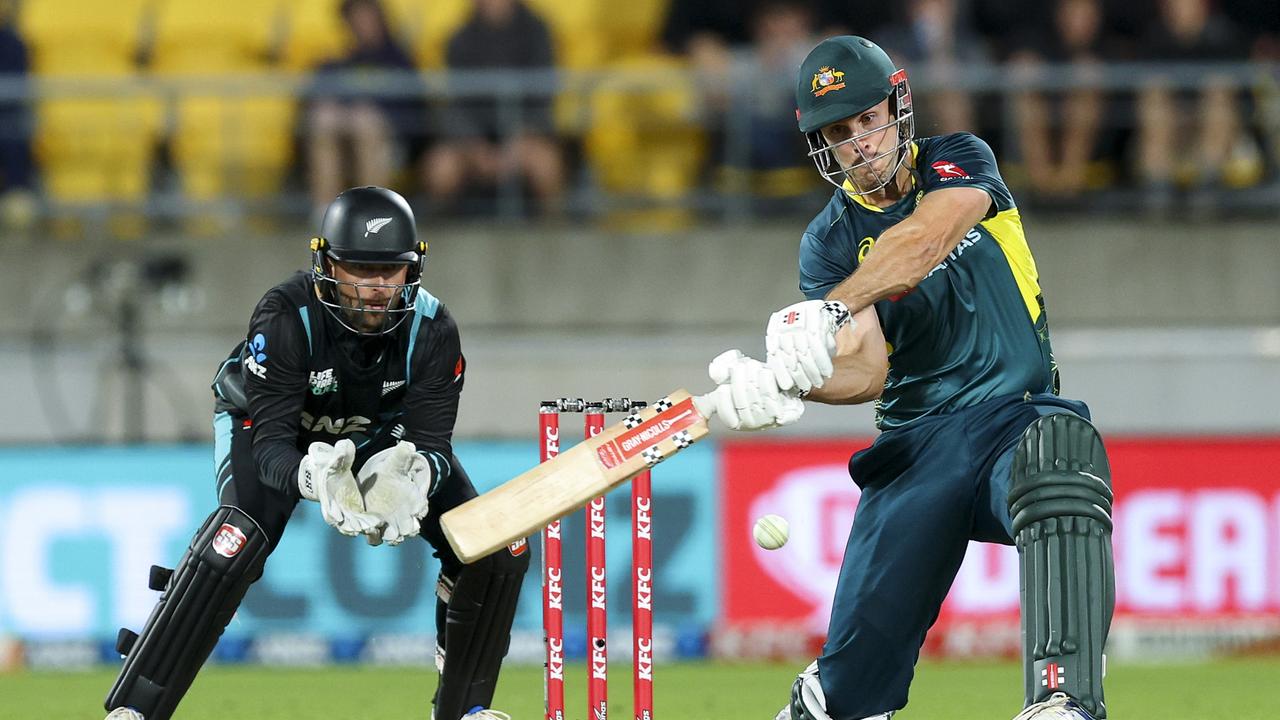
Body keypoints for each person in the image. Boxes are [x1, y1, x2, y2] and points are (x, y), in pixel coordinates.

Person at [700, 37, 1115, 720]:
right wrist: (791, 383)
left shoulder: (960, 162)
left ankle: (1063, 700)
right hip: (914, 452)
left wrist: (835, 305)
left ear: (898, 107)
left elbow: (923, 242)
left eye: (869, 119)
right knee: (844, 701)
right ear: (824, 147)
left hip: (1014, 418)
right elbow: (866, 368)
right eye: (840, 132)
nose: (861, 143)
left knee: (1061, 461)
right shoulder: (827, 242)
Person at [102, 187, 527, 720]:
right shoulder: (285, 315)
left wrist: (413, 475)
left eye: (389, 271)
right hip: (271, 428)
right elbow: (274, 446)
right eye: (356, 268)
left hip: (380, 434)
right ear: (326, 262)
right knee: (233, 541)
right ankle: (136, 710)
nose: (373, 287)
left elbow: (433, 444)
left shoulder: (433, 329)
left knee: (497, 548)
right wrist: (313, 477)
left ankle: (465, 711)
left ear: (412, 269)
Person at [423, 0, 563, 216]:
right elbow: (456, 105)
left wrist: (516, 144)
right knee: (440, 168)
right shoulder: (460, 39)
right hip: (473, 142)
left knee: (546, 166)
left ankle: (556, 242)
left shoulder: (537, 33)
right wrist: (475, 147)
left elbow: (542, 99)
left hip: (525, 138)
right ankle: (440, 242)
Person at [306, 0, 424, 222]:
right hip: (345, 142)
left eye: (367, 18)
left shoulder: (399, 62)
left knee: (365, 122)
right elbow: (317, 98)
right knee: (325, 118)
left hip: (392, 145)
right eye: (356, 19)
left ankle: (372, 212)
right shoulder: (338, 63)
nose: (362, 25)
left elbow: (413, 112)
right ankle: (325, 213)